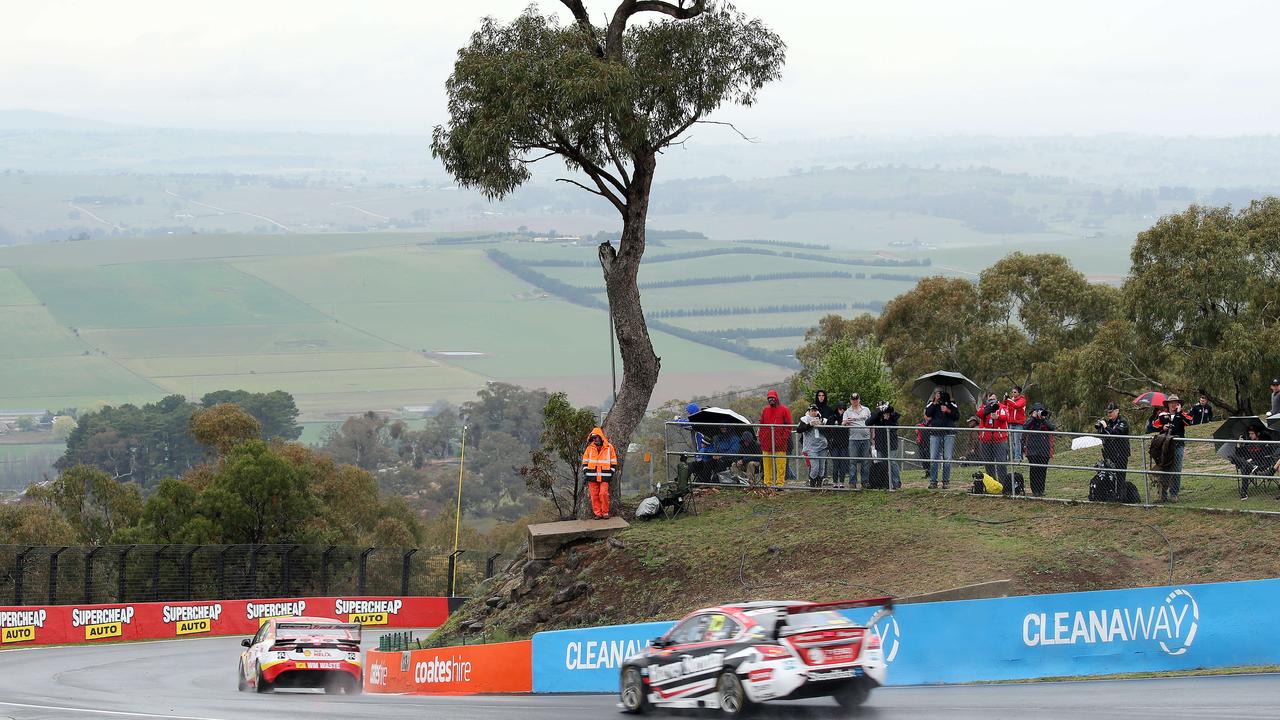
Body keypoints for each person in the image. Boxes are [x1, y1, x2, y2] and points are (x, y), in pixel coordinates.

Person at [1152, 395, 1193, 502]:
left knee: (1177, 469)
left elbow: (1190, 422)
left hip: (1178, 445)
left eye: (1176, 402)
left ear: (1178, 404)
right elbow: (1152, 426)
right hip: (1165, 446)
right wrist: (1162, 427)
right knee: (1165, 469)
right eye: (1171, 402)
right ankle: (1162, 495)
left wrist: (1179, 413)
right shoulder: (1162, 415)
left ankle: (1174, 494)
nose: (1173, 404)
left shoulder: (1182, 415)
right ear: (1168, 404)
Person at [924, 390, 959, 488]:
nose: (940, 396)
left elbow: (957, 416)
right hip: (935, 434)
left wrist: (948, 410)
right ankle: (933, 481)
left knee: (947, 458)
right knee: (934, 458)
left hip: (948, 434)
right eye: (937, 394)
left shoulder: (952, 404)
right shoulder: (932, 404)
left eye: (941, 394)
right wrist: (935, 402)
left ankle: (946, 481)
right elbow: (927, 414)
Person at [976, 392, 1012, 489]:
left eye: (994, 398)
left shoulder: (1002, 407)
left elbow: (1007, 417)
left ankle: (1004, 485)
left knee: (1001, 462)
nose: (992, 400)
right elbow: (979, 414)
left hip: (999, 439)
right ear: (987, 400)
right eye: (990, 399)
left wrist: (998, 417)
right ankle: (992, 484)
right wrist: (987, 409)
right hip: (986, 440)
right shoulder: (984, 407)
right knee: (988, 463)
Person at [581, 426, 617, 519]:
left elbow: (613, 462)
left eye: (596, 437)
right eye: (593, 438)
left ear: (601, 437)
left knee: (603, 494)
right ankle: (598, 513)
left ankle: (605, 512)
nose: (595, 439)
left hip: (605, 476)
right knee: (594, 496)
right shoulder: (589, 448)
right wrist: (586, 472)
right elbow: (585, 461)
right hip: (592, 476)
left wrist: (611, 473)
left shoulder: (609, 447)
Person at [758, 389, 792, 487]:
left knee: (781, 465)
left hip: (780, 443)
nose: (771, 400)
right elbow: (762, 425)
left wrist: (783, 437)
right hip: (767, 442)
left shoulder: (784, 409)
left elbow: (788, 426)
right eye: (769, 398)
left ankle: (780, 484)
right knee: (767, 465)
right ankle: (767, 483)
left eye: (772, 398)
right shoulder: (765, 410)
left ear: (776, 398)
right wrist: (762, 437)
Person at [1230, 428, 1274, 500]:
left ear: (1258, 434)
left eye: (1252, 433)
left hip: (1260, 464)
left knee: (1244, 467)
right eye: (1249, 434)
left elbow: (1264, 456)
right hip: (1250, 464)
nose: (1250, 435)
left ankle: (1244, 492)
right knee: (1232, 457)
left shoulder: (1264, 443)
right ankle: (1252, 467)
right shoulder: (1249, 443)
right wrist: (1239, 444)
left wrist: (1252, 459)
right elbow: (1240, 455)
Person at [1022, 403, 1055, 497]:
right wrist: (1033, 418)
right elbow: (1025, 427)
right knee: (1034, 470)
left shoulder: (1046, 420)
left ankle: (1041, 490)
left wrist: (1043, 418)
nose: (1039, 413)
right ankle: (1035, 491)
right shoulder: (1030, 421)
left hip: (1044, 449)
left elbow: (1052, 427)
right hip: (1032, 450)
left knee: (1042, 470)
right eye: (1037, 411)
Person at [869, 400, 903, 489]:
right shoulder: (876, 416)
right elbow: (868, 422)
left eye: (882, 407)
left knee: (892, 462)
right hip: (880, 443)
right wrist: (878, 413)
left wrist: (888, 417)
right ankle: (883, 483)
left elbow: (895, 427)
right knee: (881, 463)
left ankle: (896, 483)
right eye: (879, 408)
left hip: (891, 443)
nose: (881, 410)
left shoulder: (892, 415)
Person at [1097, 402, 1132, 484]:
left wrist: (1106, 427)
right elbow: (1103, 435)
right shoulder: (1109, 422)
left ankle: (1121, 495)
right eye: (1108, 412)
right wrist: (1101, 428)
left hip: (1121, 455)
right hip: (1110, 454)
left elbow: (1116, 433)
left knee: (1120, 479)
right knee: (1109, 477)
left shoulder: (1123, 422)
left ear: (1117, 411)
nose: (1109, 414)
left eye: (1111, 412)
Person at [796, 404, 829, 488]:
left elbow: (829, 430)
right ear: (809, 411)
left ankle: (819, 485)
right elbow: (799, 429)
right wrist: (810, 425)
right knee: (815, 467)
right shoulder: (805, 419)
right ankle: (812, 484)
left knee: (822, 467)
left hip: (822, 446)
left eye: (815, 410)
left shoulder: (822, 419)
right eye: (812, 411)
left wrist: (820, 425)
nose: (814, 412)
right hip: (811, 447)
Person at [842, 393, 872, 488]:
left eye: (856, 399)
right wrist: (846, 422)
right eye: (853, 399)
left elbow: (872, 423)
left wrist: (873, 437)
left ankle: (865, 482)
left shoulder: (866, 409)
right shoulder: (847, 411)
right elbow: (843, 423)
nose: (855, 401)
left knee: (865, 461)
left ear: (859, 399)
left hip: (866, 438)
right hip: (853, 439)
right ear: (850, 400)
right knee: (853, 462)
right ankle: (852, 482)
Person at [814, 390, 840, 483]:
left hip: (825, 436)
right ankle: (813, 477)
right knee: (814, 458)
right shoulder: (813, 409)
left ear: (825, 397)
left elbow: (832, 422)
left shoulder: (828, 409)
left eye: (823, 395)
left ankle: (823, 477)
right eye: (819, 395)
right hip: (814, 437)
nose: (821, 397)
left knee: (824, 458)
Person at [829, 400, 851, 487]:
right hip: (834, 444)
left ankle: (841, 482)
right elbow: (826, 428)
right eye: (840, 408)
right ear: (837, 408)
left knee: (843, 464)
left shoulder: (847, 418)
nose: (842, 410)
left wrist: (846, 423)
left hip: (844, 444)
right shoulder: (832, 417)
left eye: (843, 409)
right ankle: (835, 482)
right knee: (835, 464)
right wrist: (829, 439)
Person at [1005, 386, 1028, 464]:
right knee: (1010, 442)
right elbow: (1005, 407)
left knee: (1016, 442)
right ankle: (1011, 457)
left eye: (1015, 392)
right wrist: (1005, 400)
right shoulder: (1011, 400)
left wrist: (1008, 400)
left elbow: (1017, 406)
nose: (1013, 394)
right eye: (1012, 392)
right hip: (1011, 423)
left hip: (1018, 424)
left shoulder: (1022, 400)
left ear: (1019, 393)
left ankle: (1017, 458)